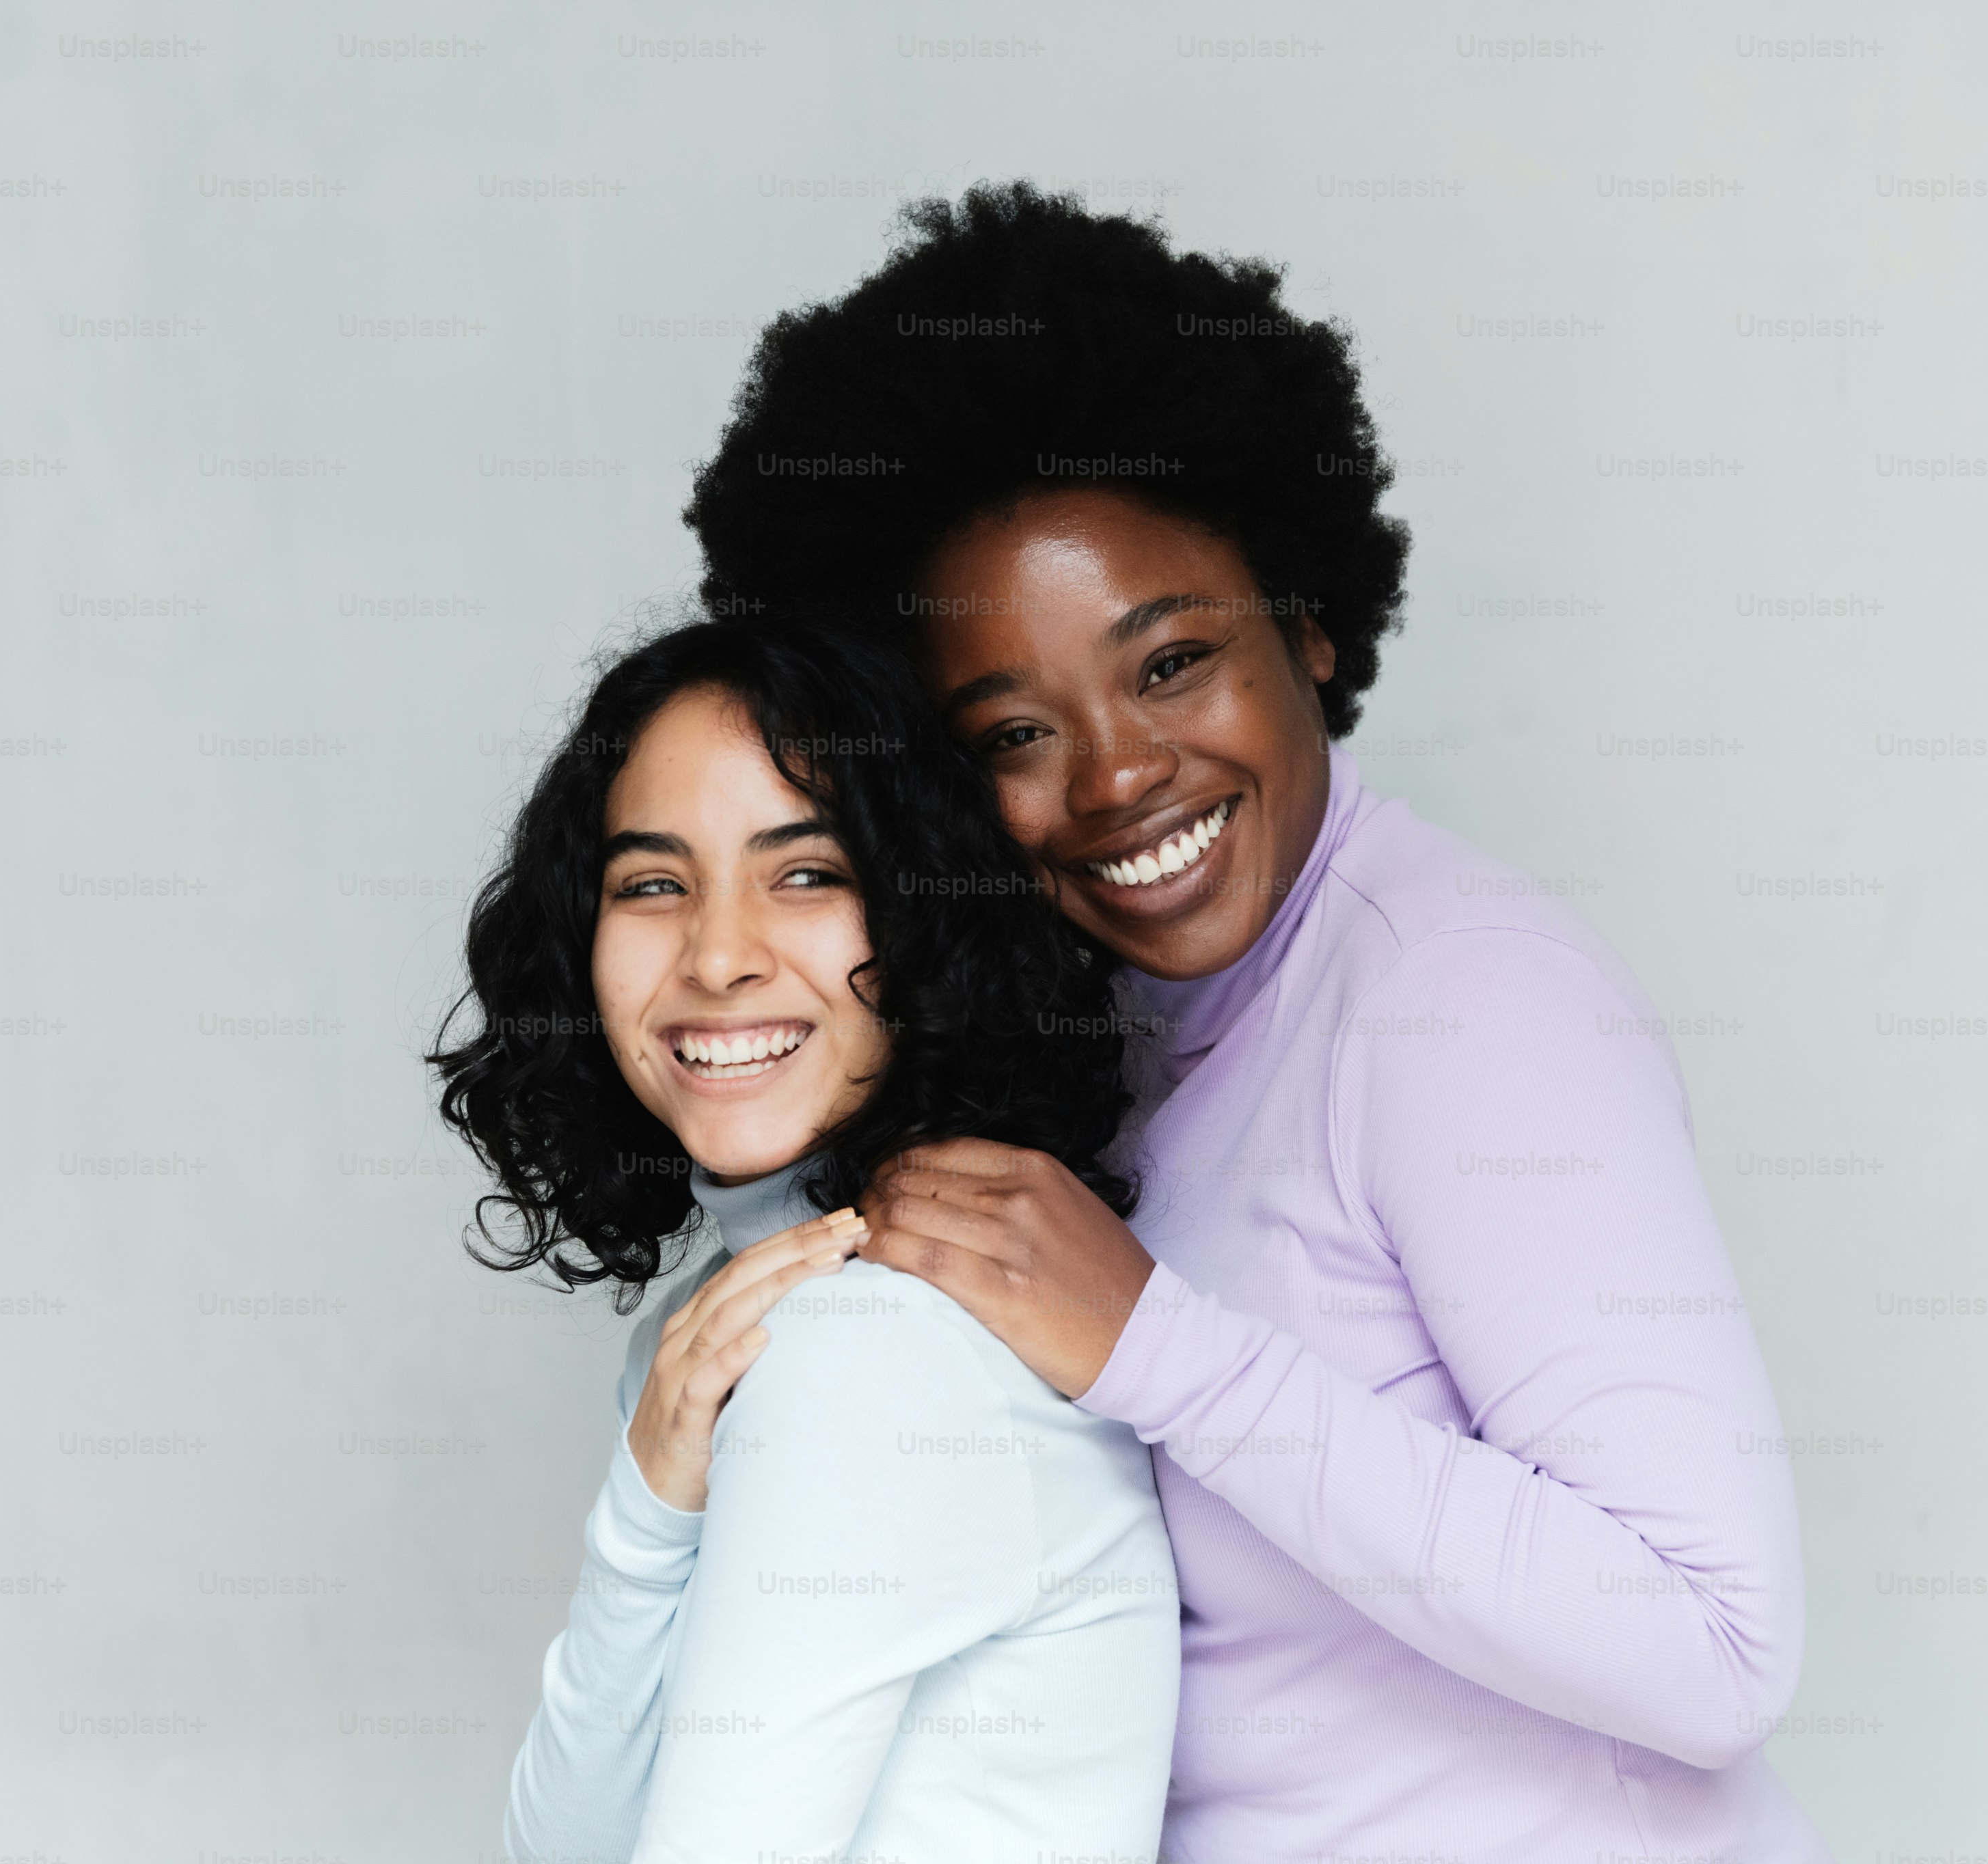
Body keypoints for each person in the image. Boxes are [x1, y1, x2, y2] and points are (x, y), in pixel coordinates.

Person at [685, 184, 1830, 1860]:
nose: (1117, 775)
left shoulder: (1461, 994)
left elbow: (1717, 1646)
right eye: (1013, 730)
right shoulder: (1110, 1033)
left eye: (1171, 664)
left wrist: (1158, 1343)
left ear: (1309, 623)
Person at [429, 618, 1179, 1863]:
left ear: (926, 916)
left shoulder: (872, 1346)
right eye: (653, 884)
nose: (719, 957)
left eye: (807, 874)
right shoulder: (738, 1327)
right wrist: (646, 1512)